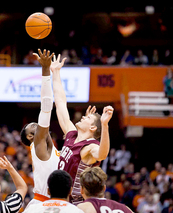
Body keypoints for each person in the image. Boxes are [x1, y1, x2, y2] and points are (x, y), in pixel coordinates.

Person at [51, 54, 114, 204]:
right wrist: (56, 73)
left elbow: (102, 154)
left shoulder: (90, 146)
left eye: (88, 118)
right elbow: (60, 103)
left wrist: (104, 125)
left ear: (92, 127)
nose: (83, 117)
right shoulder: (71, 134)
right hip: (60, 199)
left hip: (77, 203)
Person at [19, 49, 60, 209]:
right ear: (31, 137)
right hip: (42, 204)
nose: (38, 126)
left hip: (52, 202)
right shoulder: (38, 144)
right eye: (34, 128)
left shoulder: (53, 150)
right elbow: (46, 106)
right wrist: (45, 70)